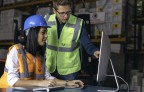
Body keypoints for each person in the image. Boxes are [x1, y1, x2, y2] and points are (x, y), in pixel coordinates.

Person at [0, 14, 84, 88]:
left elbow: (48, 78)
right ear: (33, 33)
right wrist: (40, 83)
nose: (46, 36)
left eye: (46, 32)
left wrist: (68, 83)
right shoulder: (16, 51)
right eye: (43, 33)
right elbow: (12, 81)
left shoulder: (40, 57)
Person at [45, 0, 100, 80]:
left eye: (68, 12)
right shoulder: (46, 20)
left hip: (69, 70)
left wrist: (95, 51)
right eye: (62, 13)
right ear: (54, 11)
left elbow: (87, 43)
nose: (66, 16)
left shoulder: (78, 23)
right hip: (50, 67)